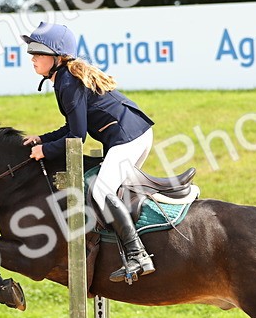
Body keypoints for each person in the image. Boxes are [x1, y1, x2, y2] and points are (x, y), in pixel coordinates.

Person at [21, 21, 157, 283]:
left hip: (129, 137)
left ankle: (138, 254)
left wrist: (45, 151)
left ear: (58, 57)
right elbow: (70, 127)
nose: (33, 59)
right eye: (32, 54)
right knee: (109, 192)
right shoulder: (64, 79)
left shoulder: (68, 82)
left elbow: (76, 138)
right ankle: (119, 252)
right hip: (131, 135)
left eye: (38, 53)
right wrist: (42, 139)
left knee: (101, 191)